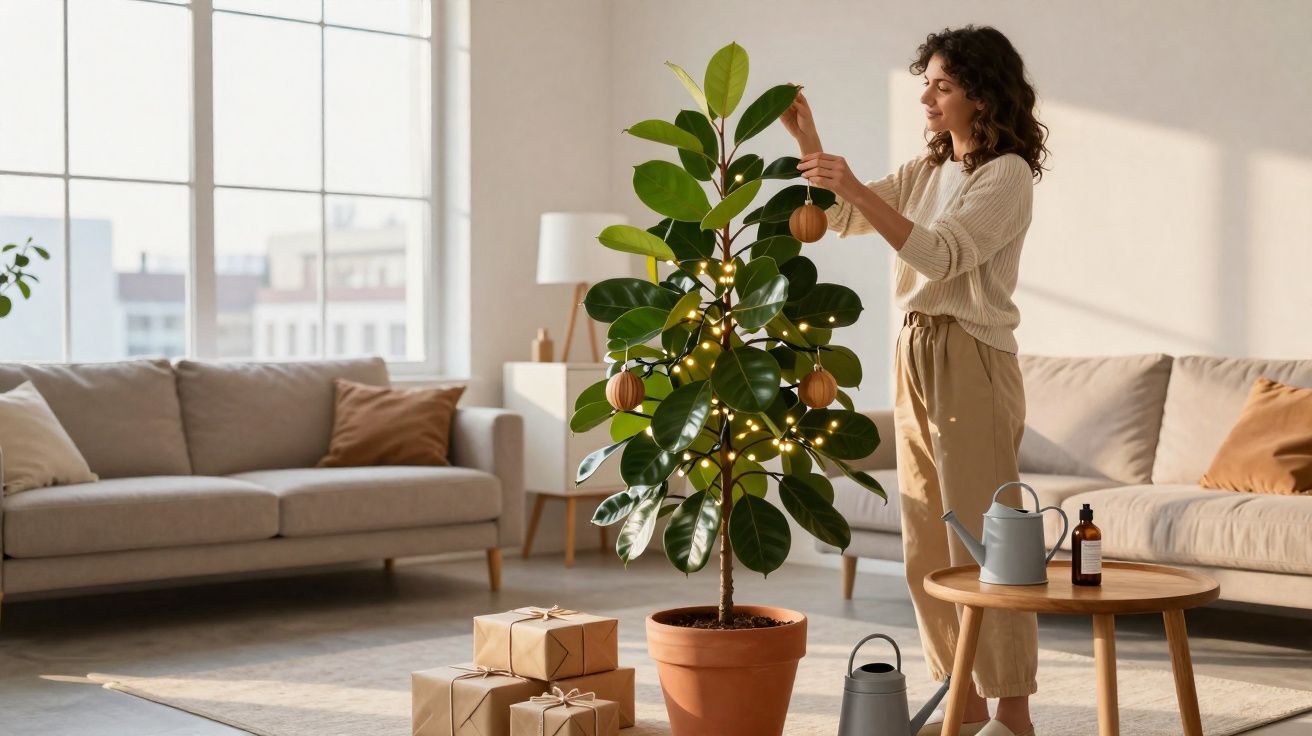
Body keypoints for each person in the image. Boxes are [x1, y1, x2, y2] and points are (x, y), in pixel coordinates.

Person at [783, 24, 1051, 736]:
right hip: (913, 348)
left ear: (980, 95)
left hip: (970, 354)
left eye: (942, 84)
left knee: (988, 543)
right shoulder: (929, 169)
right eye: (925, 81)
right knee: (926, 542)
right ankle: (960, 702)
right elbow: (840, 215)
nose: (926, 95)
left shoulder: (1007, 175)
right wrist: (808, 137)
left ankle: (1014, 712)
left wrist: (857, 189)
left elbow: (938, 254)